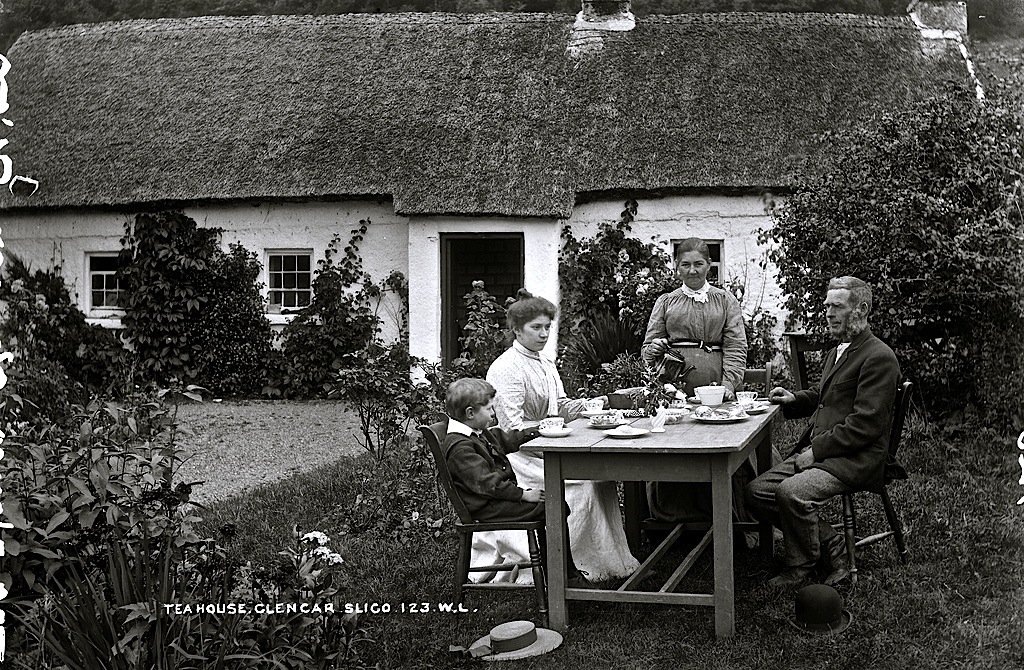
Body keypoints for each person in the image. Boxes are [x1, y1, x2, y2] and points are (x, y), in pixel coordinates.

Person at [745, 276, 901, 590]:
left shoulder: (878, 357)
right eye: (827, 306)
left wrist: (816, 452)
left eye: (837, 306)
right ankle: (832, 543)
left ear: (861, 309)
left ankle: (800, 567)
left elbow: (865, 425)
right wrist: (793, 399)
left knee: (791, 492)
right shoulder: (839, 351)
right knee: (756, 492)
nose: (828, 313)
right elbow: (823, 395)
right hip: (829, 451)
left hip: (856, 458)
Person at [481, 289, 640, 584]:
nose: (544, 334)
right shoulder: (506, 368)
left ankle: (609, 561)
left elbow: (562, 406)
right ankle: (578, 565)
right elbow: (511, 430)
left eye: (547, 327)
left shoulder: (545, 362)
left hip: (549, 447)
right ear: (517, 330)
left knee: (600, 477)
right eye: (536, 327)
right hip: (522, 459)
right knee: (586, 484)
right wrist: (553, 427)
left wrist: (600, 402)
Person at [640, 237, 750, 523]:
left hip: (715, 388)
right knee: (676, 444)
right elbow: (648, 349)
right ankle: (675, 517)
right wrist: (654, 349)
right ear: (677, 267)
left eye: (698, 264)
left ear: (709, 265)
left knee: (717, 441)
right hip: (673, 386)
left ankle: (724, 515)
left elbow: (736, 345)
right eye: (685, 264)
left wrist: (729, 385)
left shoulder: (724, 300)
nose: (692, 271)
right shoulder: (666, 301)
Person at [441, 378, 591, 586]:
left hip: (492, 500)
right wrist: (522, 495)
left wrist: (539, 429)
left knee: (553, 505)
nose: (493, 414)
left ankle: (559, 573)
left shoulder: (475, 433)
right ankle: (565, 578)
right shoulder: (460, 447)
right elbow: (487, 484)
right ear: (470, 413)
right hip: (486, 507)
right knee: (553, 507)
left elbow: (506, 440)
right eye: (489, 409)